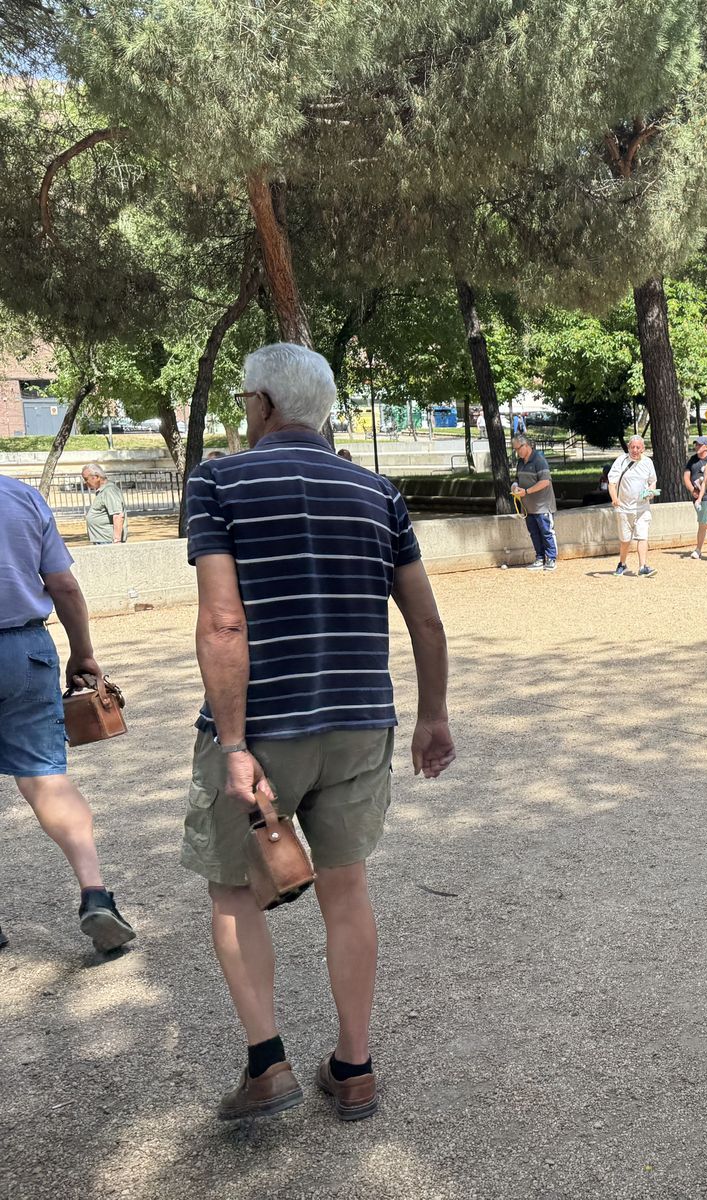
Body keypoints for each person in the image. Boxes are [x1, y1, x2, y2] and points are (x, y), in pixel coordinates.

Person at [182, 343, 455, 1122]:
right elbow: (426, 621)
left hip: (264, 724)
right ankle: (354, 1067)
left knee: (234, 888)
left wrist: (234, 745)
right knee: (347, 888)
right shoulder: (378, 492)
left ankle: (267, 1065)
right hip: (360, 721)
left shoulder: (218, 482)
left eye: (246, 399)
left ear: (265, 403)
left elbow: (224, 621)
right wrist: (433, 716)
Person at [0, 475, 138, 955]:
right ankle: (95, 893)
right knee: (46, 779)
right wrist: (83, 653)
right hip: (22, 650)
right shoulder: (21, 496)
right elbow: (63, 585)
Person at [608, 435, 658, 577]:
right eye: (632, 447)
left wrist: (651, 492)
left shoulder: (648, 462)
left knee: (643, 536)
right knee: (625, 540)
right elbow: (612, 483)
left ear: (643, 449)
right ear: (628, 448)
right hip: (624, 508)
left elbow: (652, 481)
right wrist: (614, 499)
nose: (635, 450)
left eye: (638, 447)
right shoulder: (621, 461)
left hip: (642, 508)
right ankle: (622, 563)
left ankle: (643, 567)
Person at [512, 435, 558, 571]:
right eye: (515, 449)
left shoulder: (539, 460)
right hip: (528, 507)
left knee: (546, 532)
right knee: (534, 533)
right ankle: (539, 558)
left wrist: (526, 491)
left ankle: (551, 558)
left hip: (542, 505)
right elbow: (517, 479)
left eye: (518, 449)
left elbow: (545, 482)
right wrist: (515, 486)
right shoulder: (520, 462)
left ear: (526, 445)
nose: (517, 452)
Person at [80, 464, 127, 544]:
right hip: (102, 541)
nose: (85, 482)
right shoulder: (103, 491)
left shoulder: (109, 491)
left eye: (86, 479)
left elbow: (118, 515)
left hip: (108, 541)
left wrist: (117, 540)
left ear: (97, 477)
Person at [683, 436, 707, 559]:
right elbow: (686, 477)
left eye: (699, 445)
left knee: (702, 522)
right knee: (705, 521)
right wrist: (692, 490)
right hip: (696, 496)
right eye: (696, 445)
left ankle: (698, 550)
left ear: (706, 447)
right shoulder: (692, 460)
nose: (697, 447)